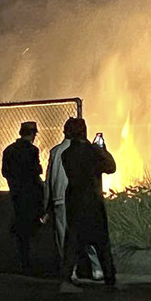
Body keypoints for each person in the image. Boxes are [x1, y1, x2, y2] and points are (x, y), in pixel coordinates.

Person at [59, 118, 117, 293]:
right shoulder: (93, 151)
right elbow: (111, 168)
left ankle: (66, 280)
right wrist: (102, 149)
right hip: (93, 201)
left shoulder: (67, 154)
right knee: (101, 242)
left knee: (73, 242)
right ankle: (110, 280)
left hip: (75, 202)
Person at [43, 118, 103, 281]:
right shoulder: (84, 150)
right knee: (90, 232)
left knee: (64, 237)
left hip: (59, 201)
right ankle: (98, 269)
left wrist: (46, 205)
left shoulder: (56, 151)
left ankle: (71, 271)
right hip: (80, 199)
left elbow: (49, 181)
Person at [2, 121, 45, 274]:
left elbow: (4, 172)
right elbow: (36, 170)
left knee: (20, 223)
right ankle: (30, 262)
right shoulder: (32, 150)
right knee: (33, 225)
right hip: (31, 194)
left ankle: (23, 259)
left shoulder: (8, 150)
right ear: (33, 134)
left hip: (16, 193)